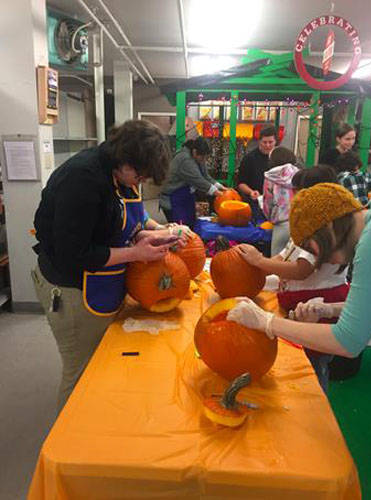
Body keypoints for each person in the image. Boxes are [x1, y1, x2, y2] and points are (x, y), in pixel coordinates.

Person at [32, 119, 187, 412]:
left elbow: (117, 223)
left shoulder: (119, 175)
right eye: (139, 176)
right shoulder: (82, 180)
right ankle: (69, 447)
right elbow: (74, 254)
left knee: (102, 362)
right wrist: (134, 253)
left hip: (102, 285)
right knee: (81, 371)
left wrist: (147, 235)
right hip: (71, 289)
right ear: (124, 160)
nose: (139, 183)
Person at [228, 183, 371, 365]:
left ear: (327, 226)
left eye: (309, 246)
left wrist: (267, 321)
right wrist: (332, 309)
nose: (320, 259)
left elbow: (347, 341)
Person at [237, 166, 343, 392]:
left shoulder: (326, 227)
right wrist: (253, 269)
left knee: (315, 362)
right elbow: (284, 255)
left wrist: (260, 262)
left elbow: (301, 269)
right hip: (298, 307)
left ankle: (317, 400)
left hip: (319, 307)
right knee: (302, 358)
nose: (294, 200)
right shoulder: (305, 222)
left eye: (300, 194)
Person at [159, 137, 227, 228]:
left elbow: (205, 176)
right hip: (172, 199)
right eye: (203, 157)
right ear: (195, 152)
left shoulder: (198, 157)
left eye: (206, 158)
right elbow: (199, 181)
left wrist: (220, 186)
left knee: (190, 226)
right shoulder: (185, 159)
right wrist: (219, 194)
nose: (204, 160)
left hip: (185, 197)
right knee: (179, 229)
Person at [262, 146, 299, 255]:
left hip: (281, 223)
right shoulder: (299, 174)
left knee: (278, 262)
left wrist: (269, 217)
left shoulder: (270, 177)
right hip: (299, 222)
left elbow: (267, 201)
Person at [237, 125, 277, 221]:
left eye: (270, 142)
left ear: (276, 142)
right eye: (264, 142)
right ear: (259, 141)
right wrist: (251, 192)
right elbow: (241, 183)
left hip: (276, 205)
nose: (267, 145)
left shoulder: (279, 158)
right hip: (255, 204)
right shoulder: (249, 158)